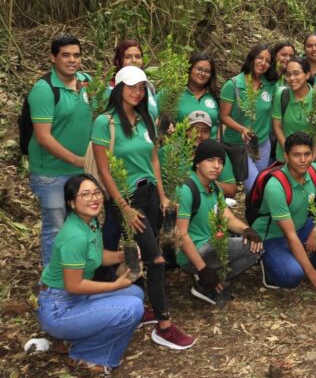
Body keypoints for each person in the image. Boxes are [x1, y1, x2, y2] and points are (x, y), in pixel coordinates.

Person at [92, 65, 194, 350]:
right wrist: (123, 207)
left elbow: (155, 161)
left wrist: (162, 197)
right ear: (119, 87)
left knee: (145, 254)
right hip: (127, 200)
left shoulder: (145, 119)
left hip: (149, 196)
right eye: (131, 86)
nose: (137, 92)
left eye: (141, 87)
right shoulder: (105, 123)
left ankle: (139, 308)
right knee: (156, 260)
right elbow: (104, 170)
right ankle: (164, 325)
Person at [37, 174, 144, 375]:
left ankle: (81, 337)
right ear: (71, 202)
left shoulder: (90, 222)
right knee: (132, 308)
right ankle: (85, 355)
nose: (93, 198)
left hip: (76, 299)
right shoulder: (74, 236)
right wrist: (115, 285)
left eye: (96, 193)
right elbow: (74, 286)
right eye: (85, 195)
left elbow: (97, 256)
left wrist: (122, 256)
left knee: (135, 294)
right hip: (60, 308)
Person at [255, 132, 316, 290]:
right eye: (297, 155)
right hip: (274, 237)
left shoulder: (315, 170)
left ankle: (304, 260)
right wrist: (311, 273)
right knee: (292, 275)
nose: (303, 160)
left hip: (301, 228)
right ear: (286, 156)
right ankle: (281, 265)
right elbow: (289, 234)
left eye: (307, 154)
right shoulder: (276, 187)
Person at [27, 34, 93, 266]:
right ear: (53, 58)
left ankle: (79, 273)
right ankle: (52, 283)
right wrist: (77, 160)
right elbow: (43, 137)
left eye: (76, 55)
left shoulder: (86, 82)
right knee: (56, 227)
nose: (72, 60)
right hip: (51, 174)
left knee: (84, 223)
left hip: (81, 172)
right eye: (65, 55)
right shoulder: (44, 90)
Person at [177, 140, 263, 304]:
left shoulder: (214, 187)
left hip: (211, 245)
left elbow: (227, 217)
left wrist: (247, 230)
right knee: (231, 246)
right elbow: (181, 235)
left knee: (256, 247)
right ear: (197, 162)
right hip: (193, 252)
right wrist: (203, 269)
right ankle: (203, 278)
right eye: (210, 160)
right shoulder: (186, 189)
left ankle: (213, 279)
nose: (217, 166)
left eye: (220, 161)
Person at [220, 44, 276, 192]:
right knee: (252, 186)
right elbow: (224, 116)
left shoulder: (270, 85)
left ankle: (254, 214)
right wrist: (242, 129)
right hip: (239, 145)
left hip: (262, 143)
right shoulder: (233, 85)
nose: (263, 63)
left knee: (261, 184)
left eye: (268, 61)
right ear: (252, 58)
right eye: (260, 58)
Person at [159, 111, 237, 198]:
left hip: (207, 205)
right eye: (194, 129)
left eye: (205, 131)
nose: (199, 135)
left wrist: (206, 183)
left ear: (210, 134)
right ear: (186, 130)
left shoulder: (217, 152)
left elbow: (231, 190)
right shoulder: (169, 151)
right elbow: (156, 182)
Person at [273, 57, 316, 164]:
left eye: (296, 73)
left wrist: (310, 160)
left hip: (314, 157)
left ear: (307, 75)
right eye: (288, 74)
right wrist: (290, 154)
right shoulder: (281, 96)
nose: (292, 78)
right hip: (286, 157)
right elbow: (277, 126)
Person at [160, 52, 220, 138]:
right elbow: (153, 115)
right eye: (199, 69)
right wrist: (164, 126)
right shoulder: (173, 92)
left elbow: (222, 123)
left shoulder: (216, 96)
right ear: (190, 68)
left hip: (209, 149)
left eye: (207, 71)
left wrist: (218, 144)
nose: (202, 73)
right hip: (177, 148)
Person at [109, 41, 159, 120]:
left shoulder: (148, 87)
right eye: (128, 57)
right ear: (118, 61)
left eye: (138, 57)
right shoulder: (110, 88)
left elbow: (155, 116)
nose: (134, 60)